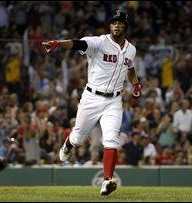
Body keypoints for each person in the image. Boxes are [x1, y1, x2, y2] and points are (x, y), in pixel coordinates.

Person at [42, 10, 141, 195]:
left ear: (126, 27)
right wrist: (58, 43)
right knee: (78, 138)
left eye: (120, 23)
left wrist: (136, 84)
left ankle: (107, 180)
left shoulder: (131, 49)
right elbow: (77, 43)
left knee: (111, 139)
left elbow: (130, 68)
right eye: (113, 22)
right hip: (91, 98)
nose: (116, 25)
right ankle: (68, 144)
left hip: (114, 101)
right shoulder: (99, 42)